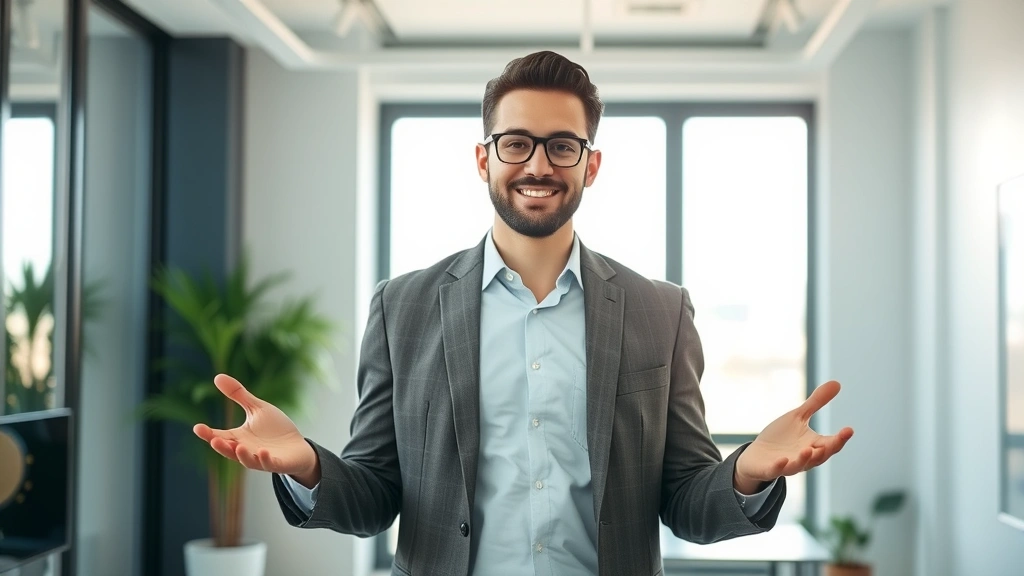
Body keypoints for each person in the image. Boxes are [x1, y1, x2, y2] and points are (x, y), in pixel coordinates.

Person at [193, 50, 853, 576]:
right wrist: (307, 465)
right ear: (484, 158)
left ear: (590, 166)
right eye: (516, 143)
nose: (538, 164)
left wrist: (746, 472)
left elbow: (684, 502)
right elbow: (374, 496)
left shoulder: (661, 310)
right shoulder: (404, 307)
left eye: (563, 146)